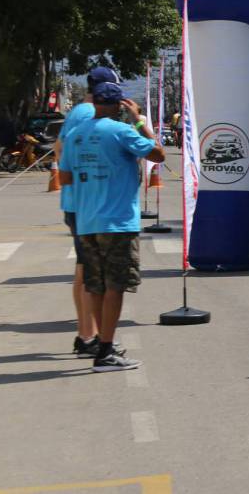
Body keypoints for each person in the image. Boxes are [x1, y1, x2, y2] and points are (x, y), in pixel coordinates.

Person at [60, 82, 165, 372]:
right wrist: (140, 122)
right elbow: (158, 154)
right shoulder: (121, 131)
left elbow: (66, 177)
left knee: (95, 285)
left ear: (94, 103)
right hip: (117, 222)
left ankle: (100, 345)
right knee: (115, 286)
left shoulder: (75, 134)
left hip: (86, 220)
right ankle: (106, 351)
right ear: (120, 105)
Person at [55, 67, 120, 358]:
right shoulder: (85, 114)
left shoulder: (79, 112)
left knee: (84, 271)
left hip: (79, 203)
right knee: (90, 274)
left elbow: (59, 149)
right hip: (85, 205)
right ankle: (88, 336)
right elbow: (63, 153)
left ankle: (87, 334)